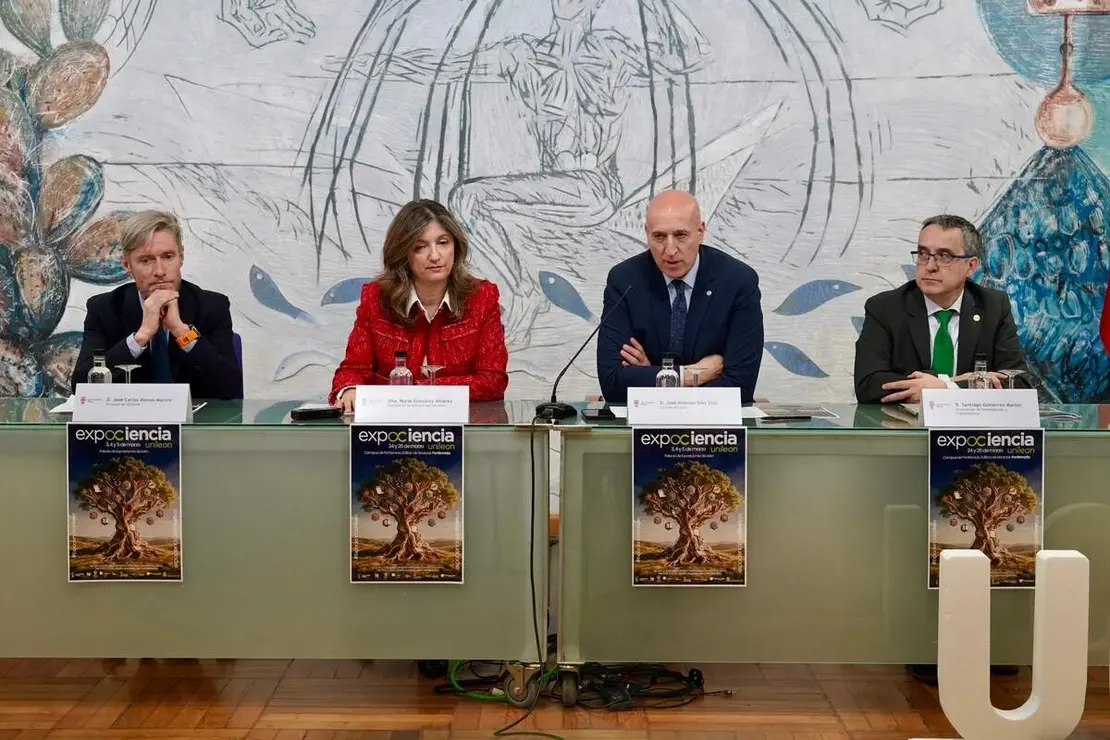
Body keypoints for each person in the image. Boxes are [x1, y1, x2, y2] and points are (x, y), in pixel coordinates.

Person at [329, 199, 509, 411]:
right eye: (420, 247)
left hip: (462, 429)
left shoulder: (482, 297)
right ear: (403, 254)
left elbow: (492, 380)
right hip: (390, 431)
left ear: (456, 247)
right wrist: (350, 389)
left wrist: (416, 392)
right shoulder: (376, 298)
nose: (435, 256)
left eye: (443, 242)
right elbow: (353, 369)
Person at [595, 189, 764, 403]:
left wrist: (653, 377)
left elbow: (740, 388)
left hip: (716, 429)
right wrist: (694, 374)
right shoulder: (625, 280)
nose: (670, 250)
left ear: (701, 231)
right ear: (646, 232)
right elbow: (612, 383)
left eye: (681, 235)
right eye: (659, 236)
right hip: (643, 425)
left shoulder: (738, 281)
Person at [854, 214, 1030, 405]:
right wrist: (957, 384)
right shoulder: (885, 308)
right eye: (923, 254)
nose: (930, 266)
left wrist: (945, 387)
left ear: (971, 266)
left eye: (944, 256)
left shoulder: (993, 307)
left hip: (973, 431)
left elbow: (1018, 384)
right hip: (905, 428)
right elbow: (868, 384)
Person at [70, 210, 243, 399]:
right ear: (127, 264)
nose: (160, 271)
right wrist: (140, 338)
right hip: (130, 425)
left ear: (181, 257)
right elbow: (81, 387)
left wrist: (181, 331)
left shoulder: (211, 306)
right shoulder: (105, 309)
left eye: (168, 257)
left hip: (194, 423)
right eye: (146, 260)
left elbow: (229, 387)